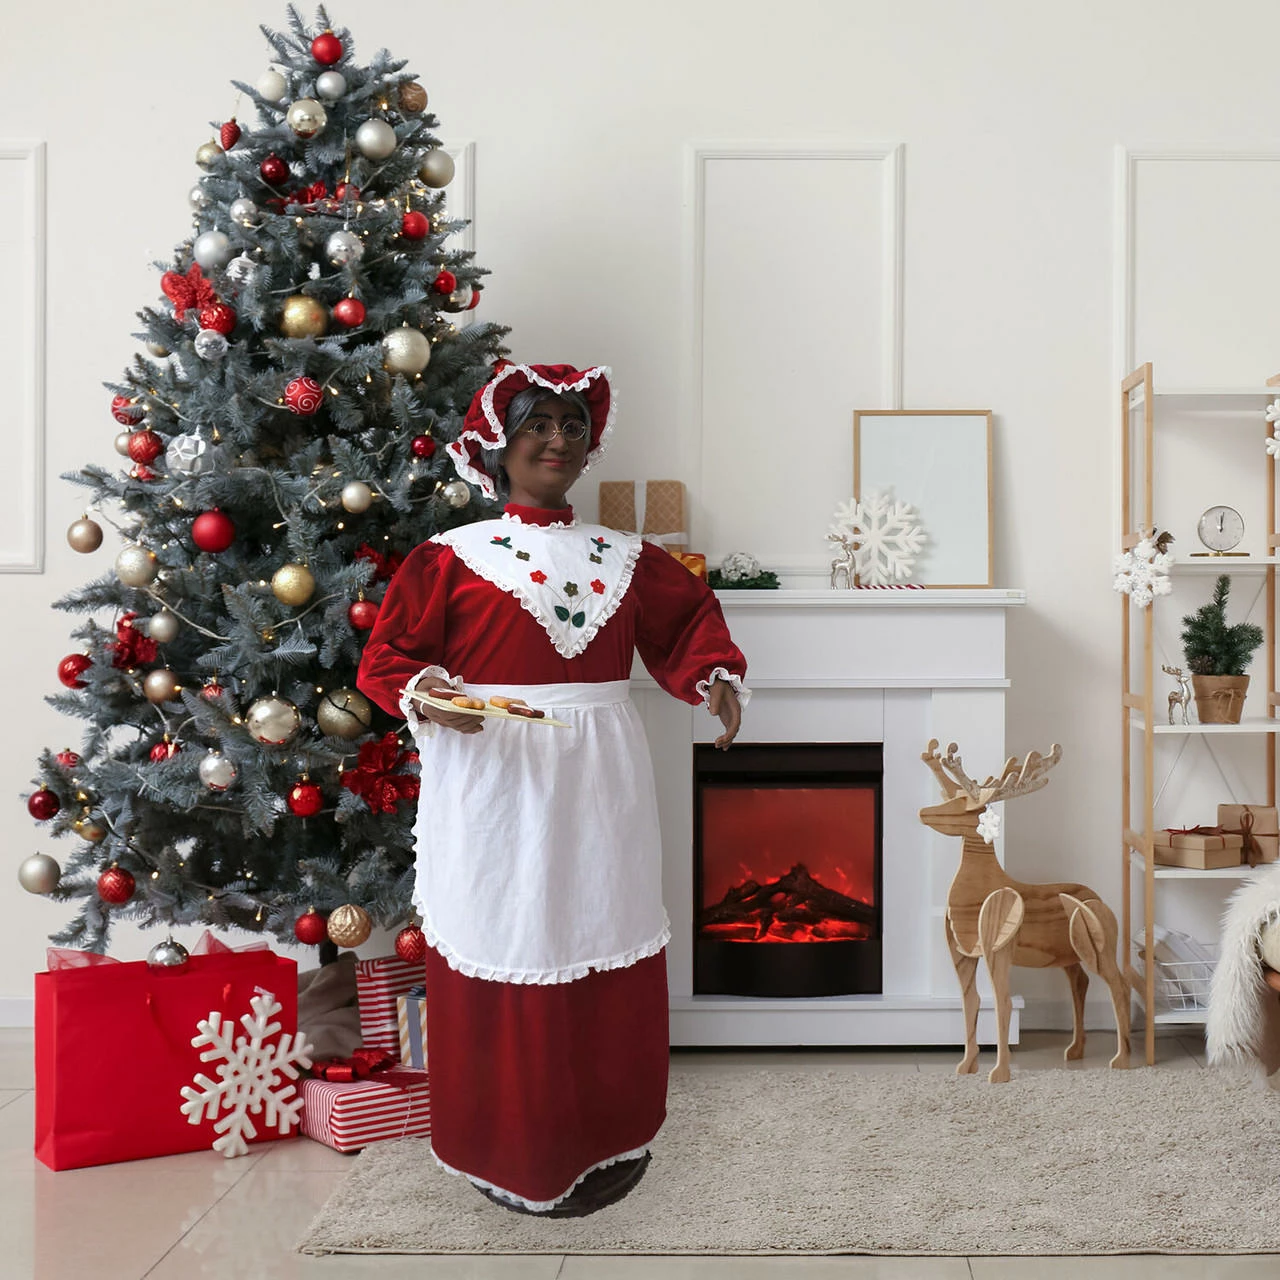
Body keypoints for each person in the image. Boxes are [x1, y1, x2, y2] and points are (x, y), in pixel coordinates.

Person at [356, 362, 749, 1216]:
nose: (559, 440)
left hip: (601, 781)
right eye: (539, 424)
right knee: (512, 932)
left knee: (599, 925)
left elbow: (685, 627)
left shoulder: (626, 557)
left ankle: (605, 1133)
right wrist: (431, 696)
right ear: (499, 443)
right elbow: (387, 660)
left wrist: (712, 678)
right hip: (496, 780)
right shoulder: (449, 558)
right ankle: (509, 1144)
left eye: (573, 426)